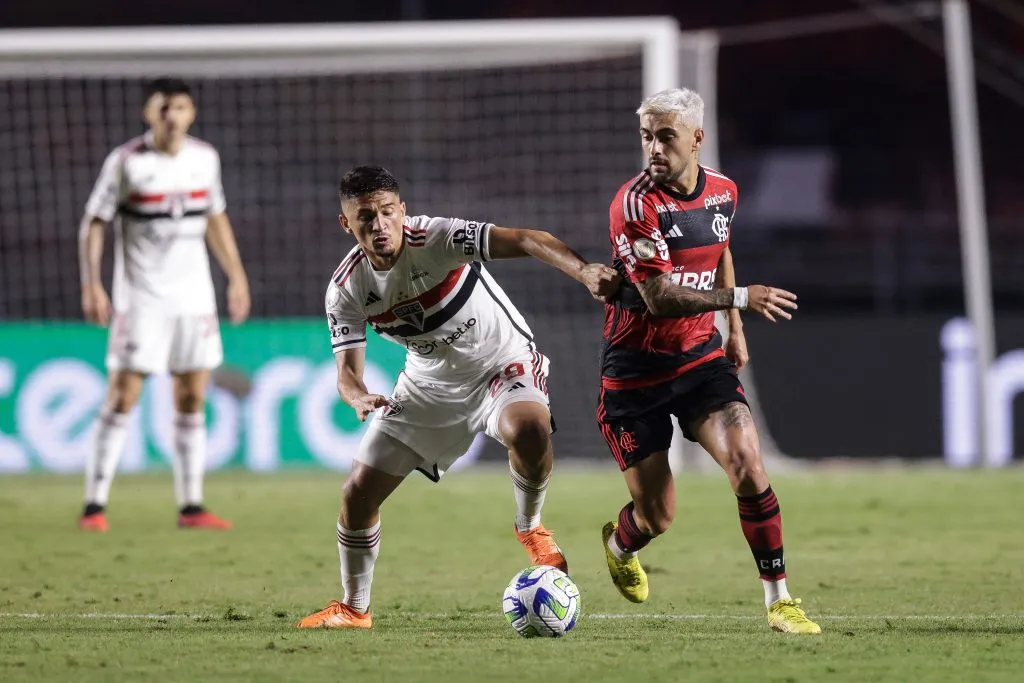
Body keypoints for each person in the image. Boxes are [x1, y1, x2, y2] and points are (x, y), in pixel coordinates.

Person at [298, 166, 619, 629]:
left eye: (388, 212)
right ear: (346, 224)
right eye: (365, 217)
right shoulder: (346, 289)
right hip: (428, 386)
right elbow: (347, 374)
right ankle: (354, 608)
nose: (379, 224)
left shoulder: (437, 238)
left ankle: (530, 527)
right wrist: (359, 397)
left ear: (402, 211)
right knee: (357, 494)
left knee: (527, 429)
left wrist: (583, 269)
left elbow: (527, 239)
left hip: (500, 362)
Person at [597, 88, 820, 634]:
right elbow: (659, 297)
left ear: (697, 138)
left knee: (747, 461)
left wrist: (734, 331)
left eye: (665, 136)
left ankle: (780, 600)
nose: (653, 147)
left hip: (700, 362)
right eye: (647, 135)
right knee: (657, 516)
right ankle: (620, 544)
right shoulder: (635, 205)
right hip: (635, 376)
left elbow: (720, 248)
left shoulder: (723, 192)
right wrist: (741, 300)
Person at [78, 77, 250, 532]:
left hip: (193, 297)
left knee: (192, 395)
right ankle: (94, 506)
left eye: (179, 107)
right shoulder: (127, 163)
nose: (171, 116)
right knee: (123, 395)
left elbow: (215, 218)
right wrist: (91, 284)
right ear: (147, 114)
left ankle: (191, 506)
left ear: (191, 113)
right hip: (141, 298)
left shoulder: (204, 159)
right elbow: (94, 223)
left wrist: (236, 276)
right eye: (163, 108)